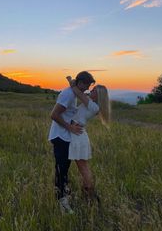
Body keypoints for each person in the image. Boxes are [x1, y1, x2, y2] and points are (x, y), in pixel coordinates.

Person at [48, 71, 95, 214]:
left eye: (87, 88)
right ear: (78, 82)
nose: (85, 90)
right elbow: (54, 115)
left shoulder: (74, 91)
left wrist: (72, 83)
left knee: (64, 169)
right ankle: (62, 203)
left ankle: (63, 196)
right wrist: (70, 127)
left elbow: (75, 89)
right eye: (84, 87)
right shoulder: (68, 94)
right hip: (60, 137)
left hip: (66, 137)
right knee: (61, 170)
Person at [66, 76, 110, 205]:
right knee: (83, 167)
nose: (91, 90)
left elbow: (79, 94)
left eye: (95, 90)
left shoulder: (93, 106)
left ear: (99, 95)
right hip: (78, 134)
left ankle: (90, 195)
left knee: (83, 168)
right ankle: (88, 194)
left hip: (78, 135)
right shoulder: (92, 103)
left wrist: (71, 83)